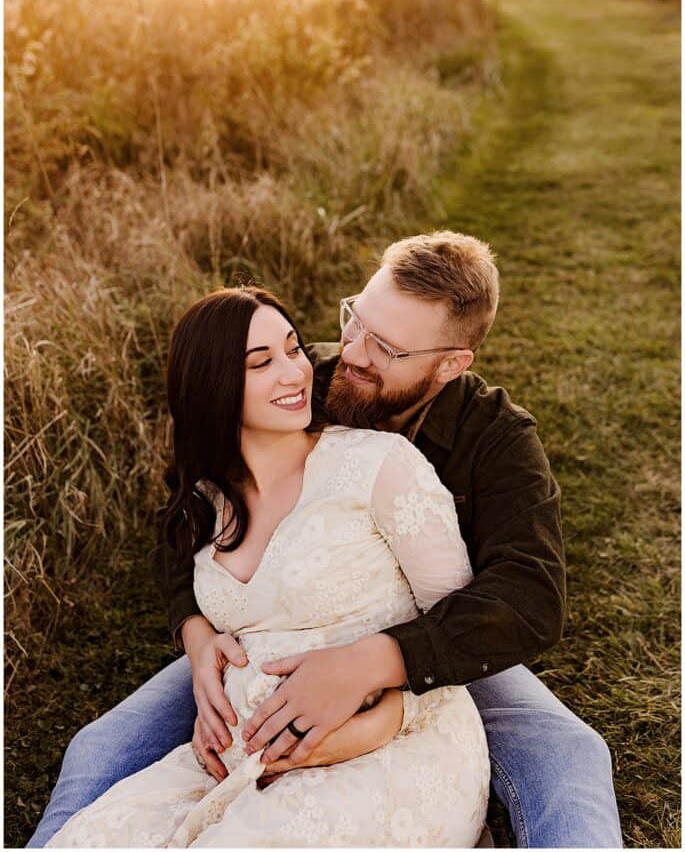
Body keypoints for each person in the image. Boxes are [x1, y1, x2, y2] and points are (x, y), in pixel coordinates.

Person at [29, 231, 622, 848]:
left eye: (388, 349)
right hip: (265, 640)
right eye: (355, 321)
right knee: (101, 747)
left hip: (438, 640)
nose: (354, 353)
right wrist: (196, 635)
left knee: (567, 754)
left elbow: (529, 595)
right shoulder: (294, 381)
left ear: (450, 364)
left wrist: (374, 665)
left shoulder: (496, 438)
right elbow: (186, 519)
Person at [46, 284, 491, 847]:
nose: (295, 373)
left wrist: (387, 716)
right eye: (262, 363)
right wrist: (197, 636)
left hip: (390, 745)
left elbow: (459, 627)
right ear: (213, 388)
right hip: (229, 763)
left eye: (292, 349)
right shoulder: (206, 497)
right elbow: (173, 560)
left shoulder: (380, 466)